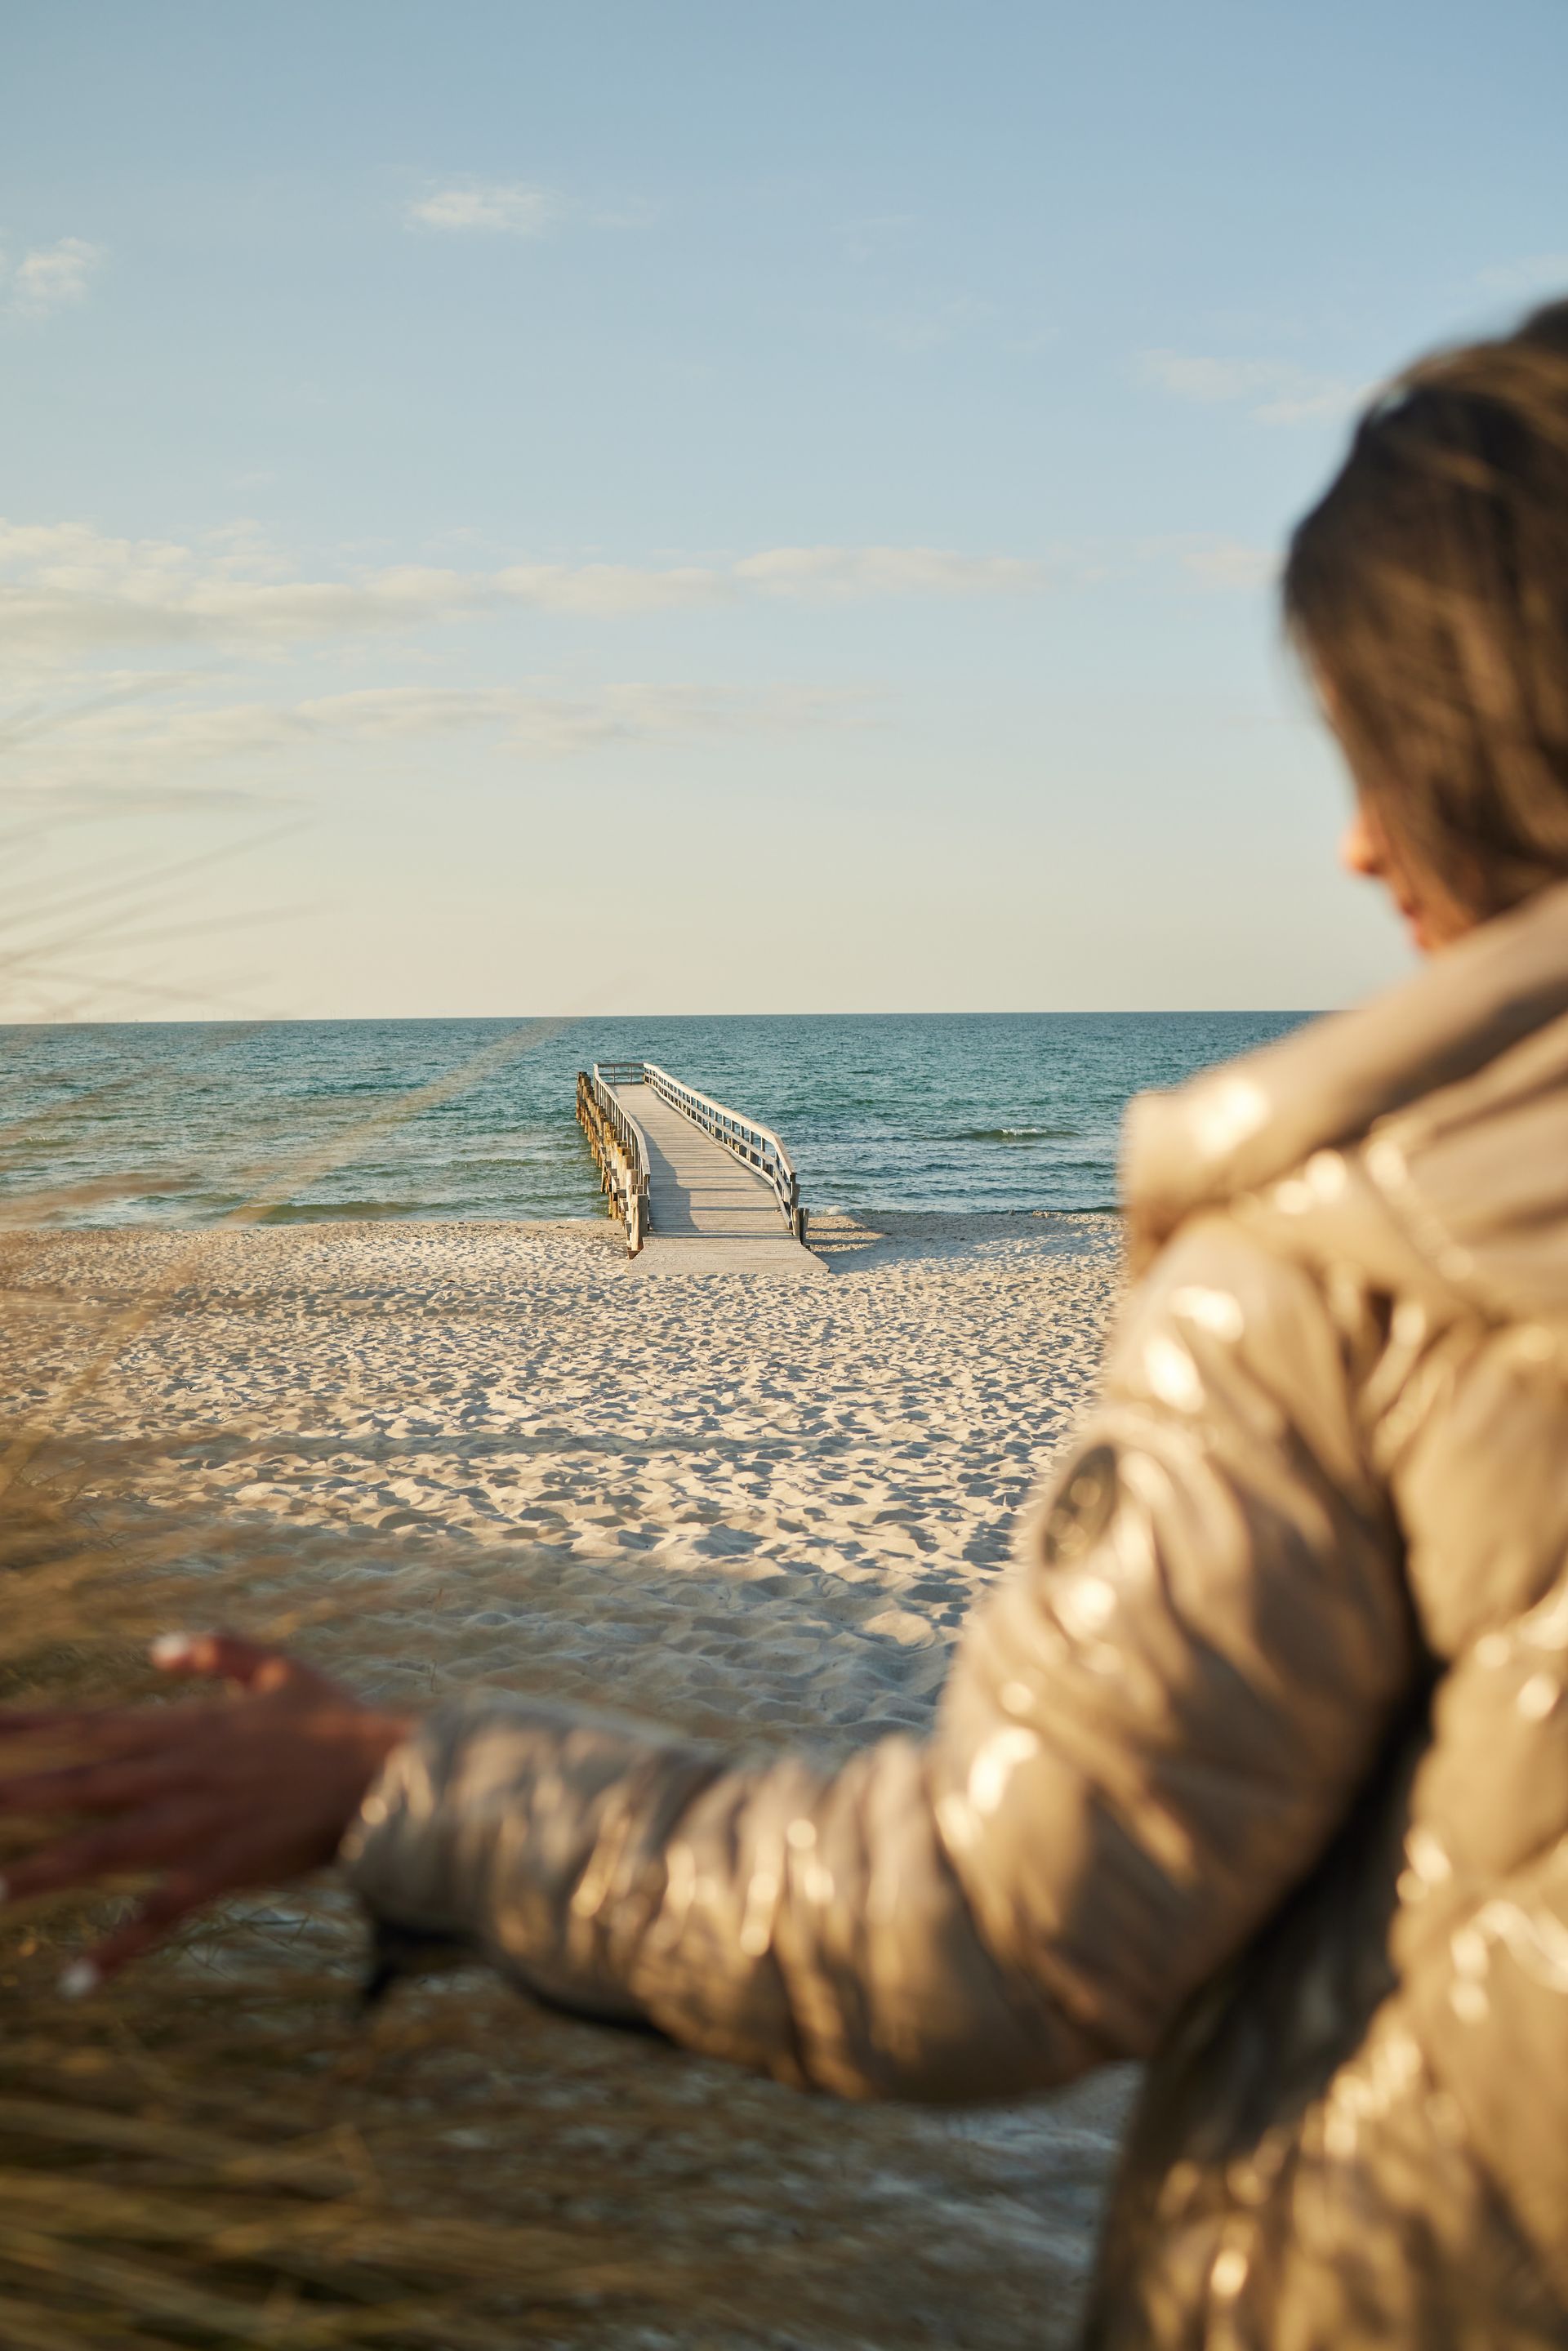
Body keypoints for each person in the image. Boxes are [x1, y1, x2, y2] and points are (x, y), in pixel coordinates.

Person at [4, 297, 1568, 2349]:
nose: (1356, 842)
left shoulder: (1360, 1259)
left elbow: (1006, 1930)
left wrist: (399, 1783)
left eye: (1374, 747)